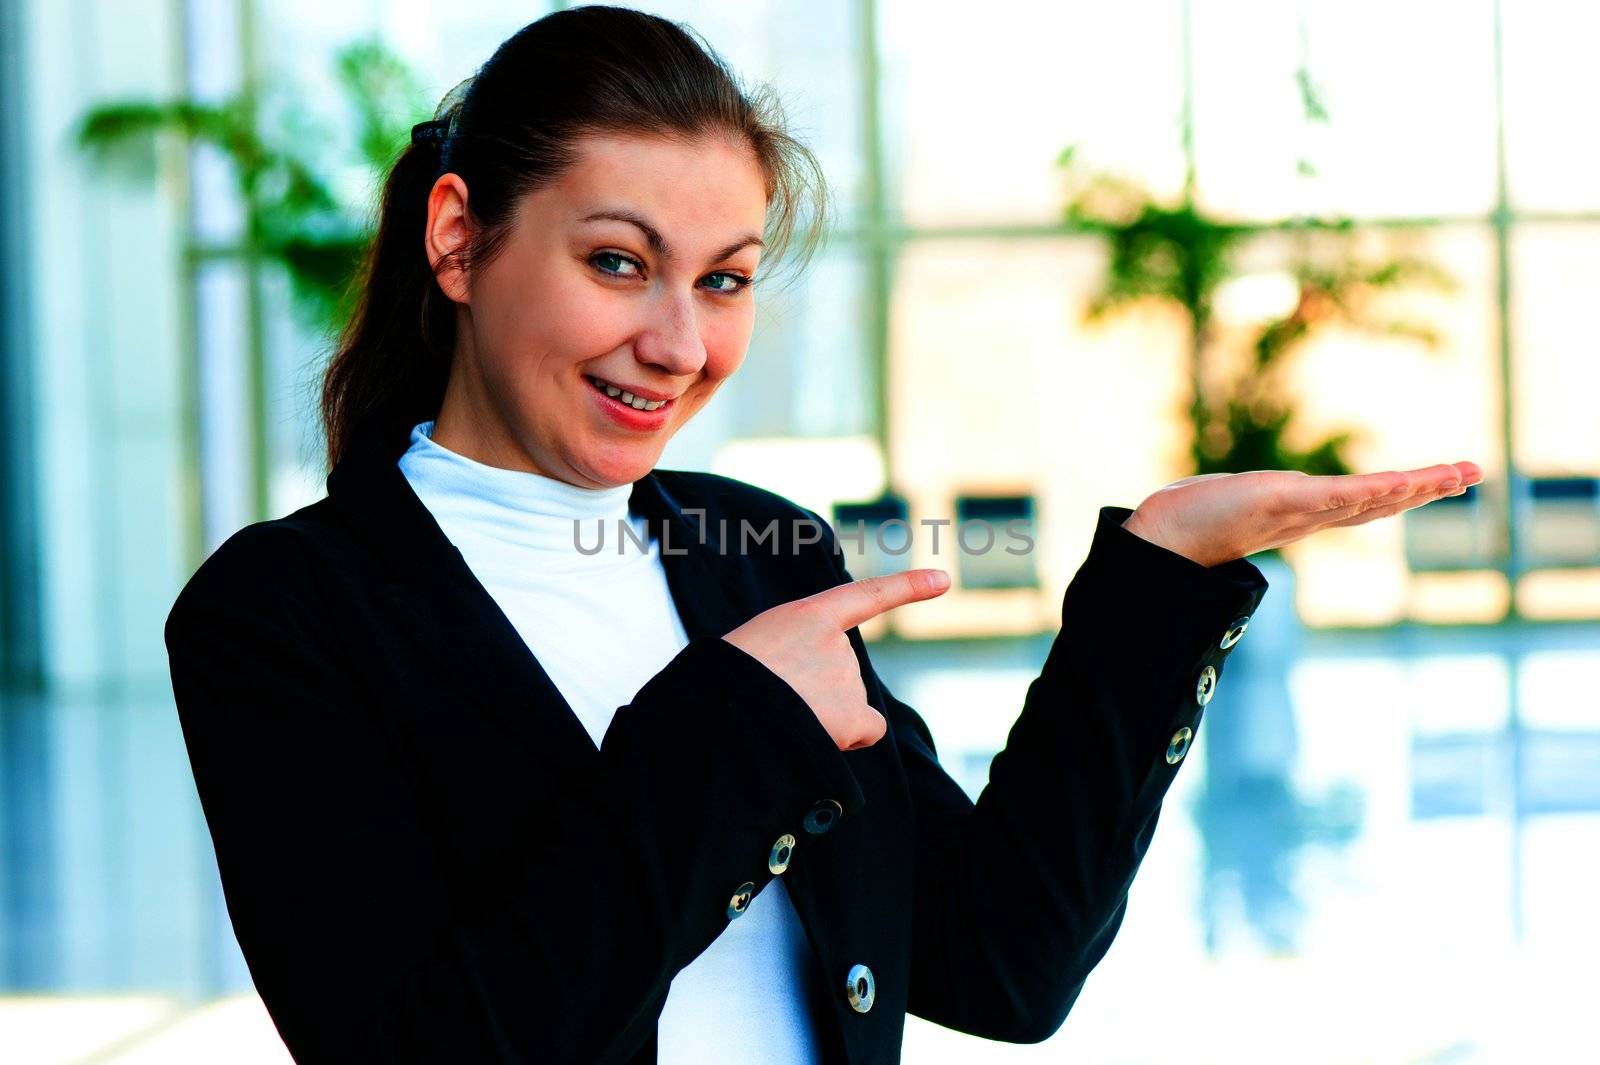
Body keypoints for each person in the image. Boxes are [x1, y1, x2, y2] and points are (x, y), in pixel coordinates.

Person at [161, 7, 1483, 1064]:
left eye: (723, 279)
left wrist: (1155, 587)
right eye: (617, 261)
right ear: (458, 237)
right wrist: (728, 725)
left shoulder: (760, 551)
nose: (678, 345)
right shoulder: (281, 616)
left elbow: (996, 959)